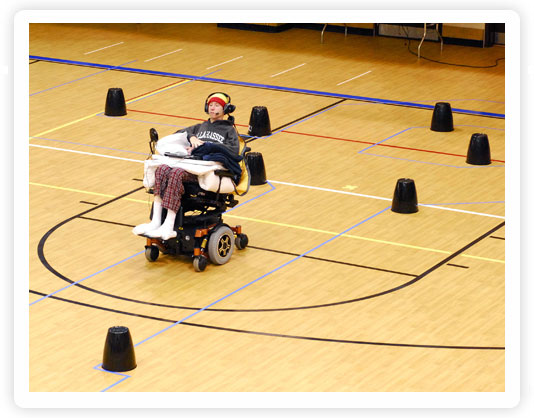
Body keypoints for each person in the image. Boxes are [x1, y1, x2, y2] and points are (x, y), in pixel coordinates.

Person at [133, 92, 239, 240]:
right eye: (210, 105)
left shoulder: (229, 131)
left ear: (225, 109)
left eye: (216, 105)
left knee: (176, 173)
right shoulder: (200, 127)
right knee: (162, 169)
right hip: (191, 164)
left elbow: (234, 152)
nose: (212, 108)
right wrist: (191, 137)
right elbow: (178, 134)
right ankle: (156, 221)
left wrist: (208, 146)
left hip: (206, 170)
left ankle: (169, 226)